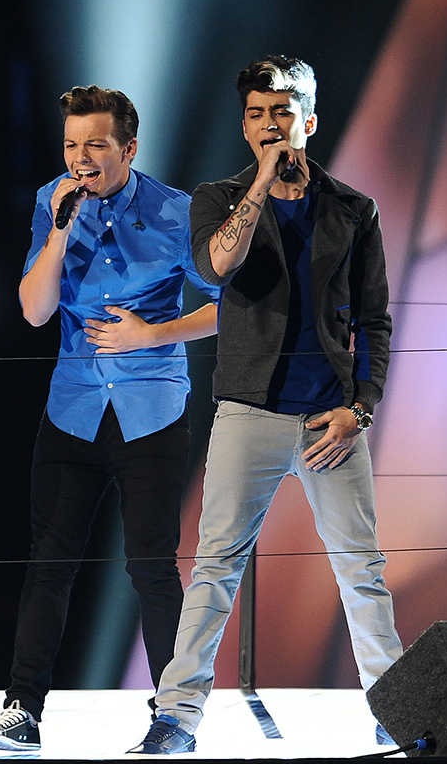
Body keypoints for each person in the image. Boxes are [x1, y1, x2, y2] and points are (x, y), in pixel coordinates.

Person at [129, 54, 404, 755]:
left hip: (329, 419)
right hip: (248, 411)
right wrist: (260, 183)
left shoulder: (353, 208)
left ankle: (397, 707)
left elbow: (374, 320)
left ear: (308, 121)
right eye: (255, 114)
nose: (268, 124)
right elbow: (216, 268)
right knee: (215, 567)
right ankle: (177, 718)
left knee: (361, 570)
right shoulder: (217, 198)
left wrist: (361, 408)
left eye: (281, 111)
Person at [0, 86, 220, 752]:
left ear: (129, 149)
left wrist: (154, 333)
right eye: (71, 145)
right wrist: (59, 231)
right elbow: (34, 311)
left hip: (151, 408)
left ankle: (174, 717)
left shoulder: (176, 211)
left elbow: (230, 306)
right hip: (74, 406)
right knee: (49, 562)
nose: (80, 159)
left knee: (151, 565)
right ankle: (22, 710)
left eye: (96, 145)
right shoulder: (52, 201)